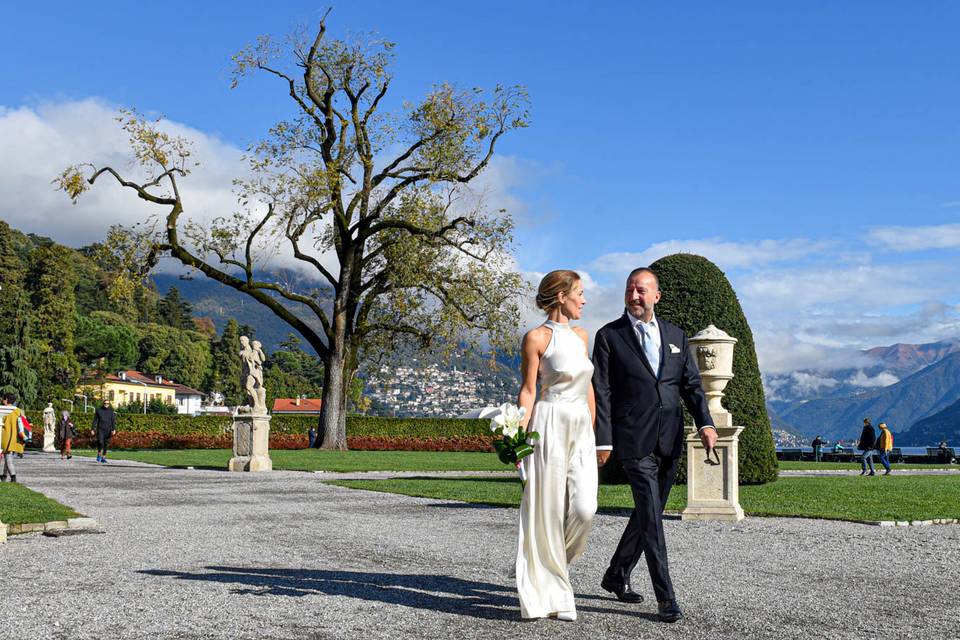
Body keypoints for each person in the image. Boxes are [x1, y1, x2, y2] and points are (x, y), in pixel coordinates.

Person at [592, 267, 717, 624]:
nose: (634, 295)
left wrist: (705, 422)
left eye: (641, 290)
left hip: (670, 438)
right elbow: (601, 392)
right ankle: (666, 598)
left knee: (650, 513)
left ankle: (616, 574)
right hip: (633, 440)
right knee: (652, 520)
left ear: (656, 296)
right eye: (630, 289)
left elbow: (691, 386)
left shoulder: (676, 336)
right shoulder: (608, 336)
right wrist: (604, 439)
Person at [515, 270, 598, 622]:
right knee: (546, 511)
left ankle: (546, 567)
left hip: (580, 427)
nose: (584, 299)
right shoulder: (535, 337)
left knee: (585, 508)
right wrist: (517, 435)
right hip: (548, 424)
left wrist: (592, 433)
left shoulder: (582, 336)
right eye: (579, 292)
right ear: (561, 296)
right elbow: (530, 389)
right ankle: (551, 591)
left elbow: (588, 387)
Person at [1, 392, 24, 482]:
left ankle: (13, 477)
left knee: (8, 458)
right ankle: (3, 476)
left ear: (6, 399)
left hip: (5, 437)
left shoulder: (3, 411)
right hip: (15, 438)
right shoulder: (18, 411)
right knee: (8, 457)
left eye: (3, 399)